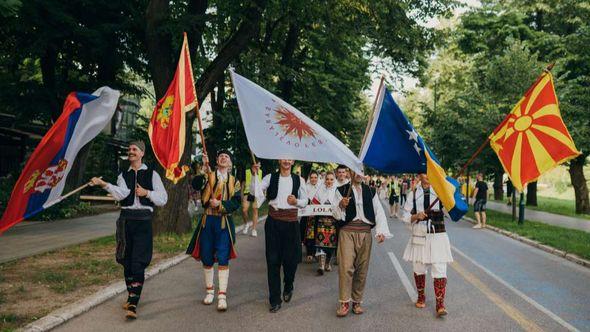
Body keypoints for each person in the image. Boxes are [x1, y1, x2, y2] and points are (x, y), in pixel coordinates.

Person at [89, 140, 168, 320]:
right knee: (125, 259)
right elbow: (121, 194)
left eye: (134, 149)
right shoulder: (123, 175)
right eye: (129, 149)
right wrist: (103, 184)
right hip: (126, 221)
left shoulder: (152, 174)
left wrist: (146, 193)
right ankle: (131, 294)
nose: (130, 151)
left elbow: (163, 198)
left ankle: (133, 302)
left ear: (142, 153)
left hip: (143, 221)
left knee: (138, 262)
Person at [186, 150, 241, 311]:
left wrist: (222, 205)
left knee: (223, 256)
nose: (224, 158)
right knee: (207, 256)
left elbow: (236, 202)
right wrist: (203, 168)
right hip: (208, 221)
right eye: (221, 156)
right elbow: (195, 185)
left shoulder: (234, 181)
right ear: (216, 160)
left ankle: (222, 295)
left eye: (227, 157)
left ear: (230, 163)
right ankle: (210, 291)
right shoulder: (208, 176)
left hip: (224, 222)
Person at [333, 170, 392, 317]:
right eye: (355, 170)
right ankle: (344, 302)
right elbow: (334, 212)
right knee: (346, 267)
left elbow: (378, 212)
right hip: (347, 231)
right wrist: (341, 204)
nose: (359, 174)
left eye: (361, 171)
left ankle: (357, 301)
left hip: (365, 233)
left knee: (362, 268)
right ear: (350, 173)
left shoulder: (370, 191)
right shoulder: (341, 190)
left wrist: (381, 231)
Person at [251, 160, 308, 313]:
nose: (286, 161)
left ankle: (288, 285)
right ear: (279, 160)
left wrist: (296, 201)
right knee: (273, 261)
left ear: (293, 161)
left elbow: (305, 201)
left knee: (292, 261)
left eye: (289, 158)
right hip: (273, 223)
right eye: (284, 158)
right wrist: (255, 175)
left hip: (291, 223)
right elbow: (256, 194)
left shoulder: (298, 180)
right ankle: (274, 299)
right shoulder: (270, 178)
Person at [402, 173, 452, 317]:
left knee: (440, 267)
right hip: (420, 233)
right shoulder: (413, 194)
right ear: (420, 175)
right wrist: (416, 216)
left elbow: (450, 212)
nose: (429, 175)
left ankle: (440, 304)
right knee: (419, 267)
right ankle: (421, 296)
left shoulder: (440, 190)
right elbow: (405, 217)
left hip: (438, 233)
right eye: (425, 172)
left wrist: (447, 197)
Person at [315, 171, 338, 275]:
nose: (329, 181)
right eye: (327, 179)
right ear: (325, 180)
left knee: (331, 244)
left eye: (331, 179)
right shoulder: (320, 190)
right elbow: (314, 201)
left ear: (334, 180)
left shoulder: (337, 191)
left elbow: (340, 205)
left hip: (333, 221)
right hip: (321, 221)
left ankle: (328, 263)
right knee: (320, 243)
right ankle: (321, 266)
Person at [302, 170, 321, 262]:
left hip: (317, 214)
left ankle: (316, 252)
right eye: (312, 177)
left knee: (317, 233)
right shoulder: (306, 187)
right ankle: (309, 252)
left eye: (315, 177)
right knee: (308, 233)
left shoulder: (321, 187)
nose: (314, 179)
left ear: (318, 178)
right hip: (307, 215)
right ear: (309, 178)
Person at [241, 166, 262, 237]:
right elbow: (243, 183)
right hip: (247, 192)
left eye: (259, 164)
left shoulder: (260, 172)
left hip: (256, 193)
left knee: (255, 210)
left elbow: (262, 183)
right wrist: (241, 194)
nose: (258, 166)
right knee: (244, 209)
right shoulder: (247, 171)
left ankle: (254, 229)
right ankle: (246, 224)